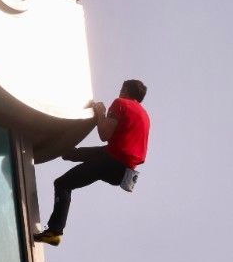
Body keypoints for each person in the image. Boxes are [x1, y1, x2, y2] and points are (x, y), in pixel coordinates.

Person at [33, 79, 150, 245]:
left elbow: (104, 134)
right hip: (122, 168)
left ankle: (54, 232)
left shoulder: (121, 103)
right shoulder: (145, 116)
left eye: (120, 90)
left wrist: (101, 113)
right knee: (71, 153)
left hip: (111, 161)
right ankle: (63, 149)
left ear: (125, 90)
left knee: (63, 184)